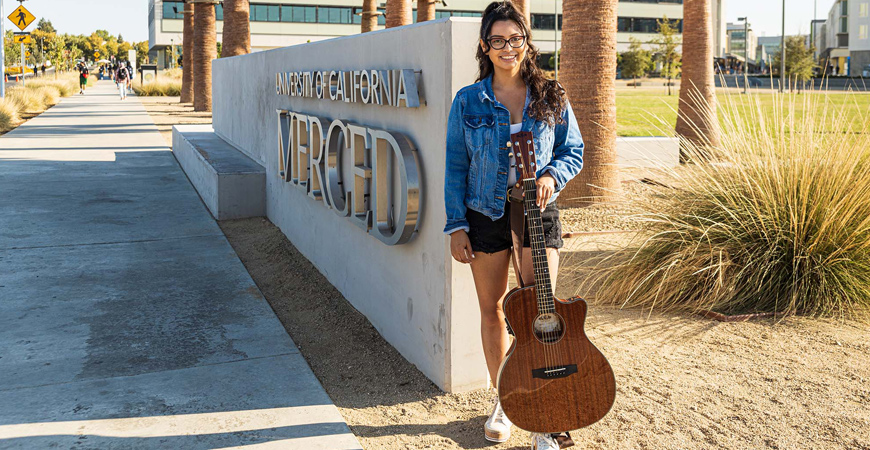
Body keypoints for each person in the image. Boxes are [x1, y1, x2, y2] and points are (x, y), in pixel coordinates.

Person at [443, 2, 584, 449]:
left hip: (537, 211)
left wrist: (549, 175)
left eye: (516, 39)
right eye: (498, 40)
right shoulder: (468, 100)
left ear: (527, 42)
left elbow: (573, 151)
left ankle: (545, 414)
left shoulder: (550, 94)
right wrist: (456, 225)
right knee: (493, 310)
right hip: (484, 214)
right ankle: (506, 398)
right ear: (485, 45)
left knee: (542, 311)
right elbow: (455, 166)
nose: (508, 48)